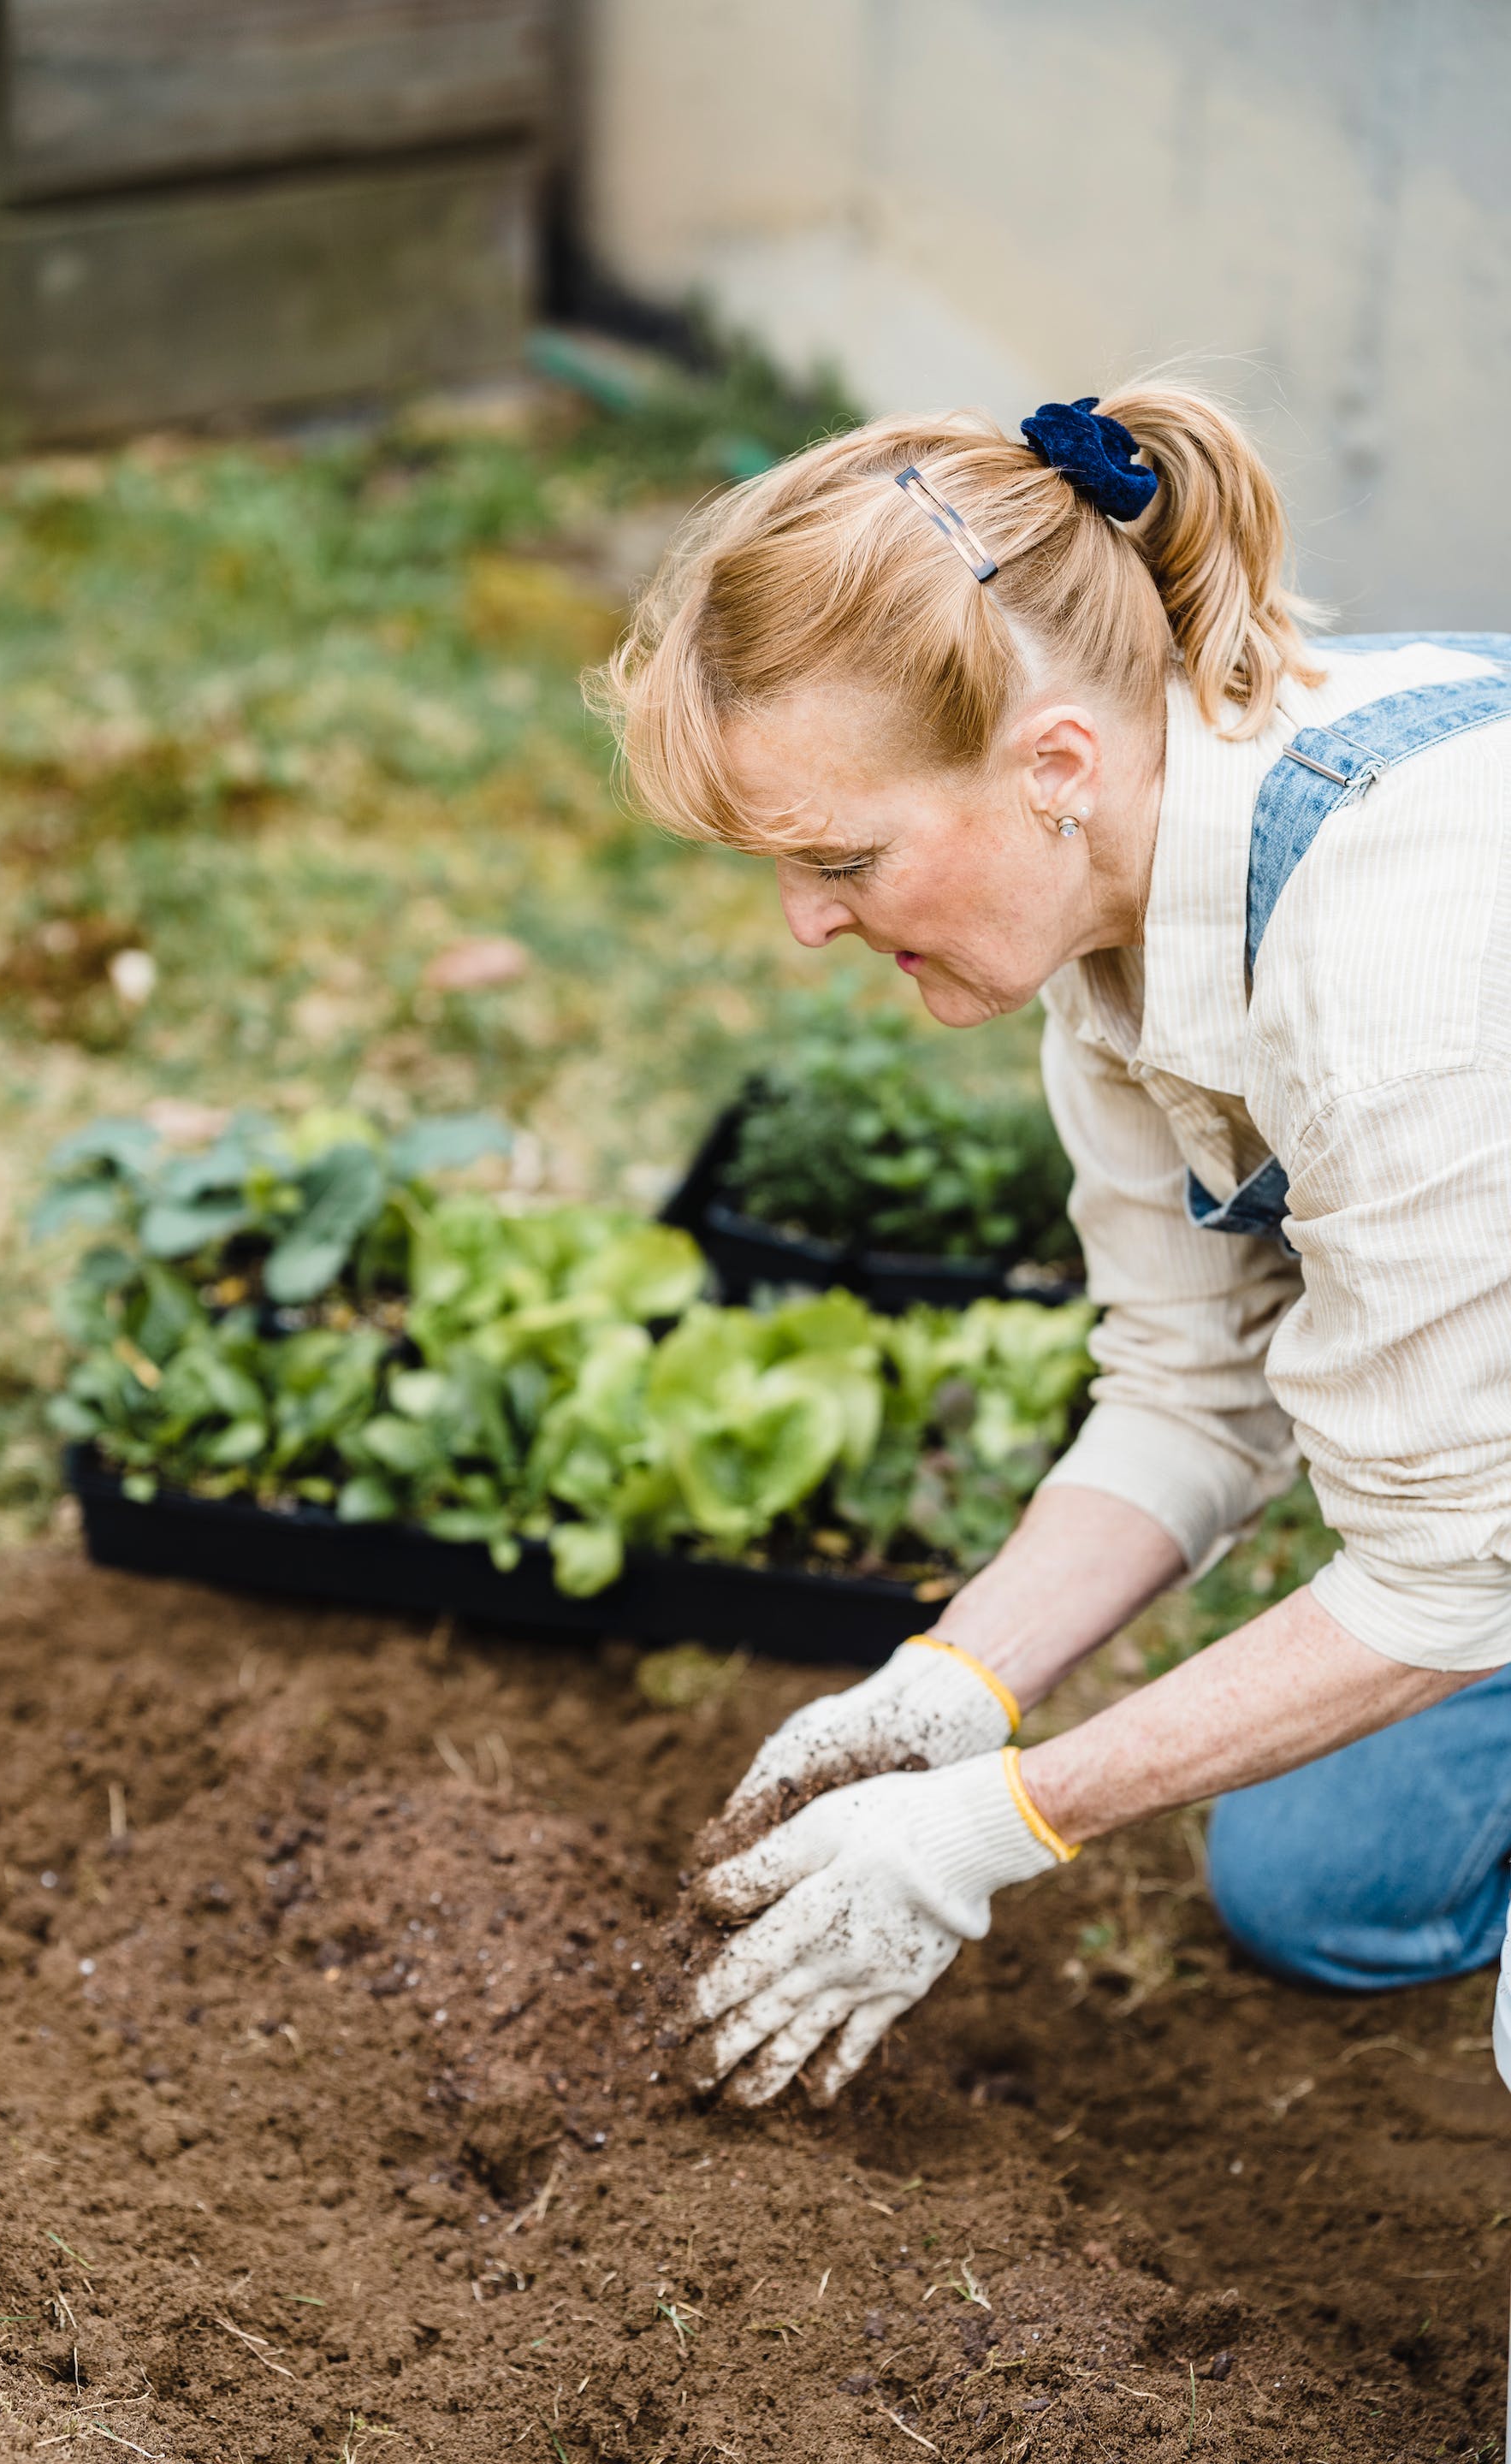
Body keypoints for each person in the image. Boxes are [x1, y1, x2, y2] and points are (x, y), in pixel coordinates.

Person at [598, 385, 1511, 2107]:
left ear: (1054, 768)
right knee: (1326, 1890)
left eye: (841, 857)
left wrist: (1001, 1824)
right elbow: (1186, 1389)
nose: (805, 921)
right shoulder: (1120, 918)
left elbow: (1444, 1579)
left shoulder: (1406, 955)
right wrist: (954, 1681)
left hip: (1466, 1543)